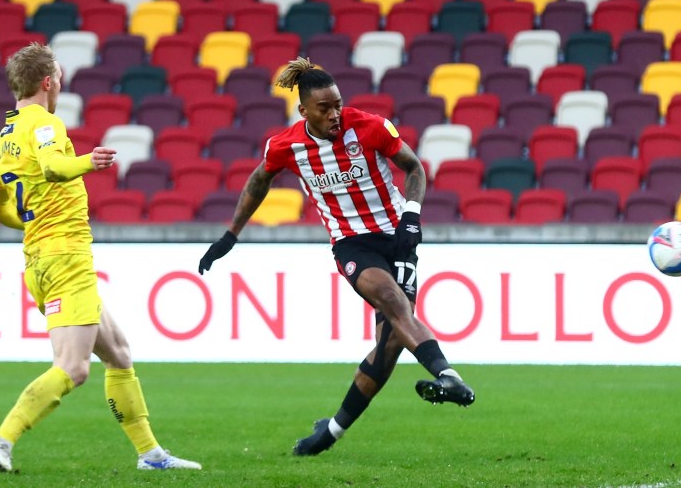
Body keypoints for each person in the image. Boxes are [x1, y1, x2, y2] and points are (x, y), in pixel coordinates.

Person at [197, 57, 475, 456]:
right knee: (393, 301)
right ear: (304, 110)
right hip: (351, 244)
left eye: (338, 104)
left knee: (391, 344)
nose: (334, 114)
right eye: (324, 108)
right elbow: (260, 180)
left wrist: (411, 218)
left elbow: (414, 168)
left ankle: (330, 432)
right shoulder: (287, 146)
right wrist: (230, 236)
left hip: (397, 235)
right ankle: (449, 376)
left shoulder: (371, 127)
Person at [0, 43, 201, 472]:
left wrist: (31, 222)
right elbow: (54, 167)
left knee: (119, 354)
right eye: (58, 77)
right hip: (65, 258)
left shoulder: (2, 141)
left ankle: (151, 455)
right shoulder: (45, 124)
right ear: (47, 82)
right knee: (73, 368)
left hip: (40, 259)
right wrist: (87, 162)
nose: (59, 84)